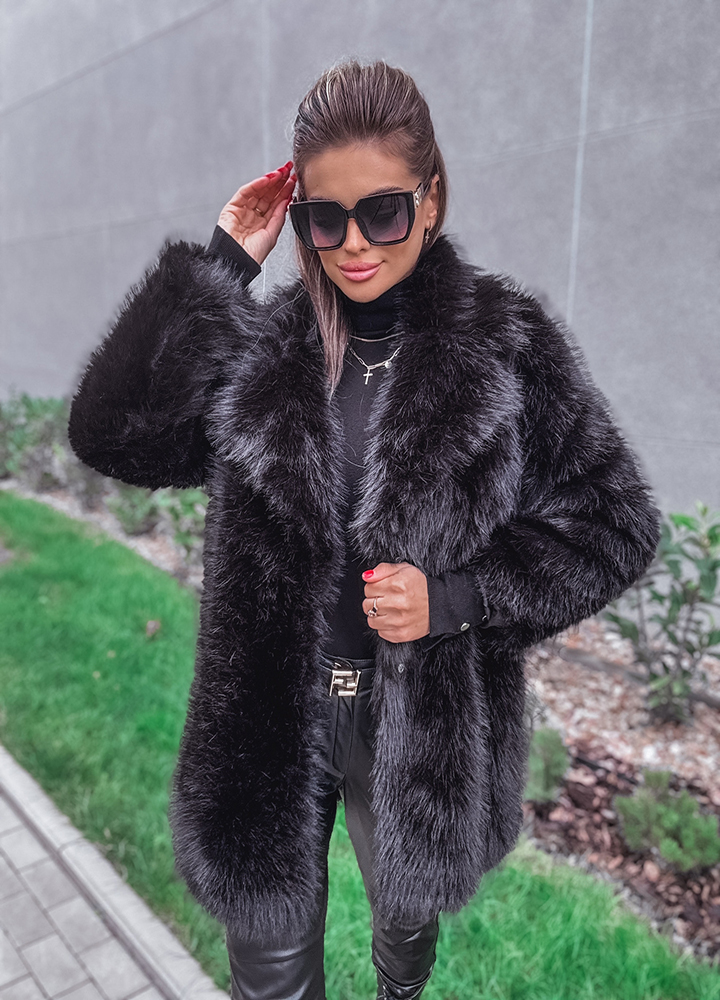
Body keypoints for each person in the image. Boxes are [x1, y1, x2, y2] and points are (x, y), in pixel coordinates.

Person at [68, 60, 660, 1000]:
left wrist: (458, 598)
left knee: (404, 934)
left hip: (417, 727)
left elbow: (616, 524)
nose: (352, 244)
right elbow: (112, 435)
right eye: (325, 218)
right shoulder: (265, 349)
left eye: (382, 212)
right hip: (271, 714)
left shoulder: (505, 343)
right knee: (267, 970)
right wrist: (223, 266)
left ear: (431, 201)